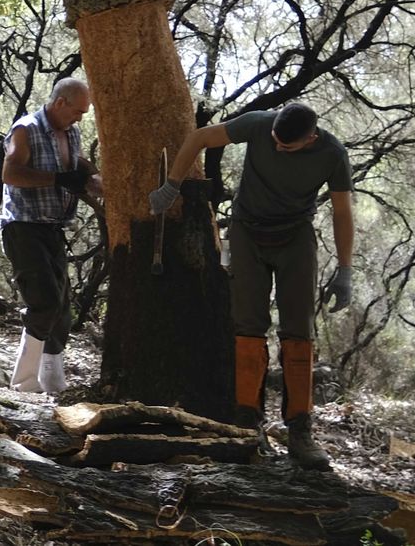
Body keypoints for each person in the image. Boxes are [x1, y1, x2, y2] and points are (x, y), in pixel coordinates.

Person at [148, 101, 353, 470]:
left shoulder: (333, 154)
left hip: (295, 238)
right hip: (246, 234)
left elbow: (342, 211)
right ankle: (247, 428)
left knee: (298, 331)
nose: (277, 147)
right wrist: (172, 185)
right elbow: (199, 137)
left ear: (310, 138)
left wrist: (345, 269)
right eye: (275, 140)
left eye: (286, 147)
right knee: (248, 327)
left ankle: (300, 432)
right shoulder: (259, 124)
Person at [0, 78, 103, 394]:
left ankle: (52, 378)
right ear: (60, 103)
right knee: (43, 300)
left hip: (53, 228)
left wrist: (93, 177)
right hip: (23, 226)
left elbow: (75, 164)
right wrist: (57, 180)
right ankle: (23, 381)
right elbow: (11, 173)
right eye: (78, 111)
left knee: (62, 307)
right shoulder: (26, 129)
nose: (80, 118)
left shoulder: (70, 132)